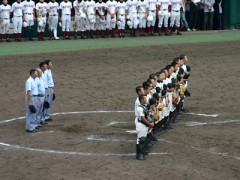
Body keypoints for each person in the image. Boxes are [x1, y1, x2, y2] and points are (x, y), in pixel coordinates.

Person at [135, 95, 154, 160]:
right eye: (145, 99)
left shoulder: (144, 107)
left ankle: (142, 152)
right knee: (141, 139)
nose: (146, 100)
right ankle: (139, 155)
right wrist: (149, 124)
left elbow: (146, 115)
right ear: (142, 100)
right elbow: (142, 118)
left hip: (144, 125)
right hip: (141, 125)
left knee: (143, 138)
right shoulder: (140, 108)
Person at [25, 69, 39, 133]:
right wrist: (30, 102)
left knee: (34, 112)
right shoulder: (29, 81)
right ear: (32, 73)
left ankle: (32, 126)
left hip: (35, 97)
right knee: (30, 113)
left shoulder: (34, 80)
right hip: (31, 98)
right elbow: (28, 92)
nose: (37, 74)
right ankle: (29, 128)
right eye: (36, 73)